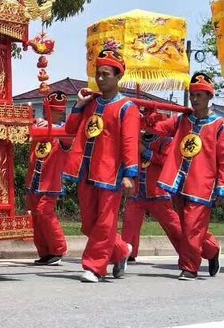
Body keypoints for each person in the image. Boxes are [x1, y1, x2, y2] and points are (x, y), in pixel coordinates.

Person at [64, 49, 140, 282]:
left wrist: (130, 174)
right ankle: (121, 250)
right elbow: (70, 130)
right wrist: (78, 105)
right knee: (90, 224)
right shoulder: (90, 103)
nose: (100, 78)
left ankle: (94, 267)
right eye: (98, 73)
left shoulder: (127, 107)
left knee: (105, 222)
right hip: (85, 170)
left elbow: (129, 142)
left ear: (118, 76)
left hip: (111, 173)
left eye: (105, 74)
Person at [152, 73, 224, 280]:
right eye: (192, 95)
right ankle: (211, 250)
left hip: (202, 185)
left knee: (191, 227)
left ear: (209, 97)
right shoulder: (182, 120)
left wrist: (223, 185)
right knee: (190, 227)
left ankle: (189, 267)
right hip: (178, 181)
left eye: (199, 95)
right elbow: (158, 128)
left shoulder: (220, 126)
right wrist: (150, 118)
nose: (195, 99)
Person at [120, 129, 183, 262]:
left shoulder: (165, 140)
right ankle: (126, 252)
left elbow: (168, 161)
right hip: (137, 191)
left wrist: (146, 152)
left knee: (173, 226)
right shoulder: (135, 138)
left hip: (157, 193)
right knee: (130, 223)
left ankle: (187, 252)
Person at [27, 91, 71, 265]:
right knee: (36, 217)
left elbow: (68, 138)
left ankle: (58, 249)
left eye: (55, 111)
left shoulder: (64, 131)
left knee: (45, 212)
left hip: (50, 182)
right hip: (34, 180)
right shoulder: (39, 127)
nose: (48, 114)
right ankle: (45, 252)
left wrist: (51, 127)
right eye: (48, 110)